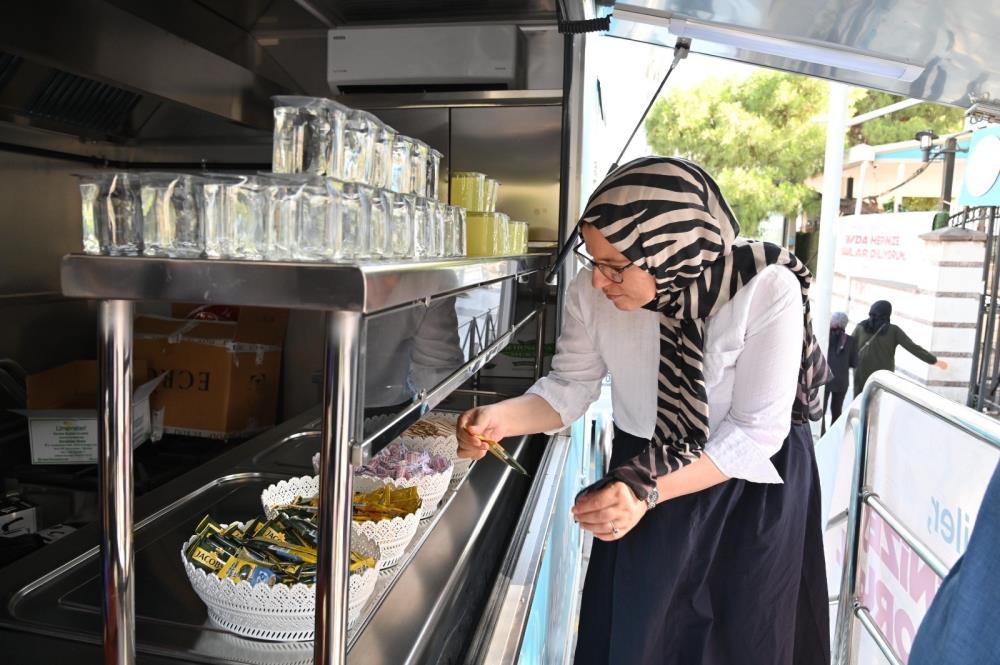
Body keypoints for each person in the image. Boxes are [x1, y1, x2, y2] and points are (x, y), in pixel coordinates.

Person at [457, 157, 832, 665]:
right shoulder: (593, 296)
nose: (597, 282)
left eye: (615, 266)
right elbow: (569, 387)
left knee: (742, 637)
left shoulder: (764, 288)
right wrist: (499, 418)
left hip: (747, 484)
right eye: (593, 261)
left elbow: (756, 432)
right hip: (643, 468)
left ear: (671, 251)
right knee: (643, 635)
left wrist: (644, 489)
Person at [850, 300, 947, 398]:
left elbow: (849, 346)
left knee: (858, 399)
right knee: (877, 399)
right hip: (883, 374)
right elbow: (912, 347)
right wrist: (934, 361)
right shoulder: (893, 330)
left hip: (861, 370)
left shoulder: (861, 326)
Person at [823, 311, 851, 434]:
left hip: (825, 379)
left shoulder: (824, 336)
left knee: (821, 410)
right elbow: (854, 363)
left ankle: (822, 434)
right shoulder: (850, 340)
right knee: (836, 411)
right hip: (841, 382)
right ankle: (833, 436)